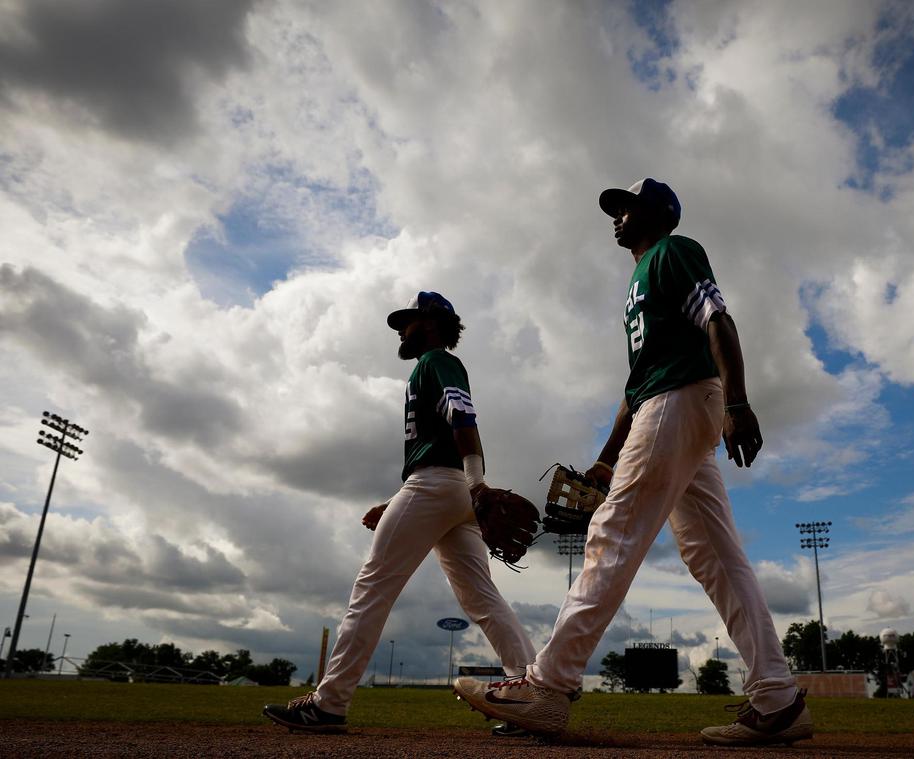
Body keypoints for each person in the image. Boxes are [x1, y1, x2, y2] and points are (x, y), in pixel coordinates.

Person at [453, 180, 812, 747]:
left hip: (680, 400)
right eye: (615, 209)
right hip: (667, 402)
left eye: (627, 207)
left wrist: (739, 401)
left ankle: (547, 685)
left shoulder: (675, 252)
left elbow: (718, 319)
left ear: (657, 213)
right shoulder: (638, 282)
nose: (616, 216)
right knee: (716, 556)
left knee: (614, 532)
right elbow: (634, 387)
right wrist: (603, 459)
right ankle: (777, 696)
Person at [264, 291, 536, 734]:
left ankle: (328, 704)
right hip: (449, 491)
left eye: (407, 322)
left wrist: (477, 482)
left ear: (430, 323)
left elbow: (464, 421)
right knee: (482, 597)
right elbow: (442, 447)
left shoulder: (435, 362)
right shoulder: (429, 368)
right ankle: (531, 692)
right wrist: (410, 499)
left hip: (440, 487)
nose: (400, 329)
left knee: (372, 589)